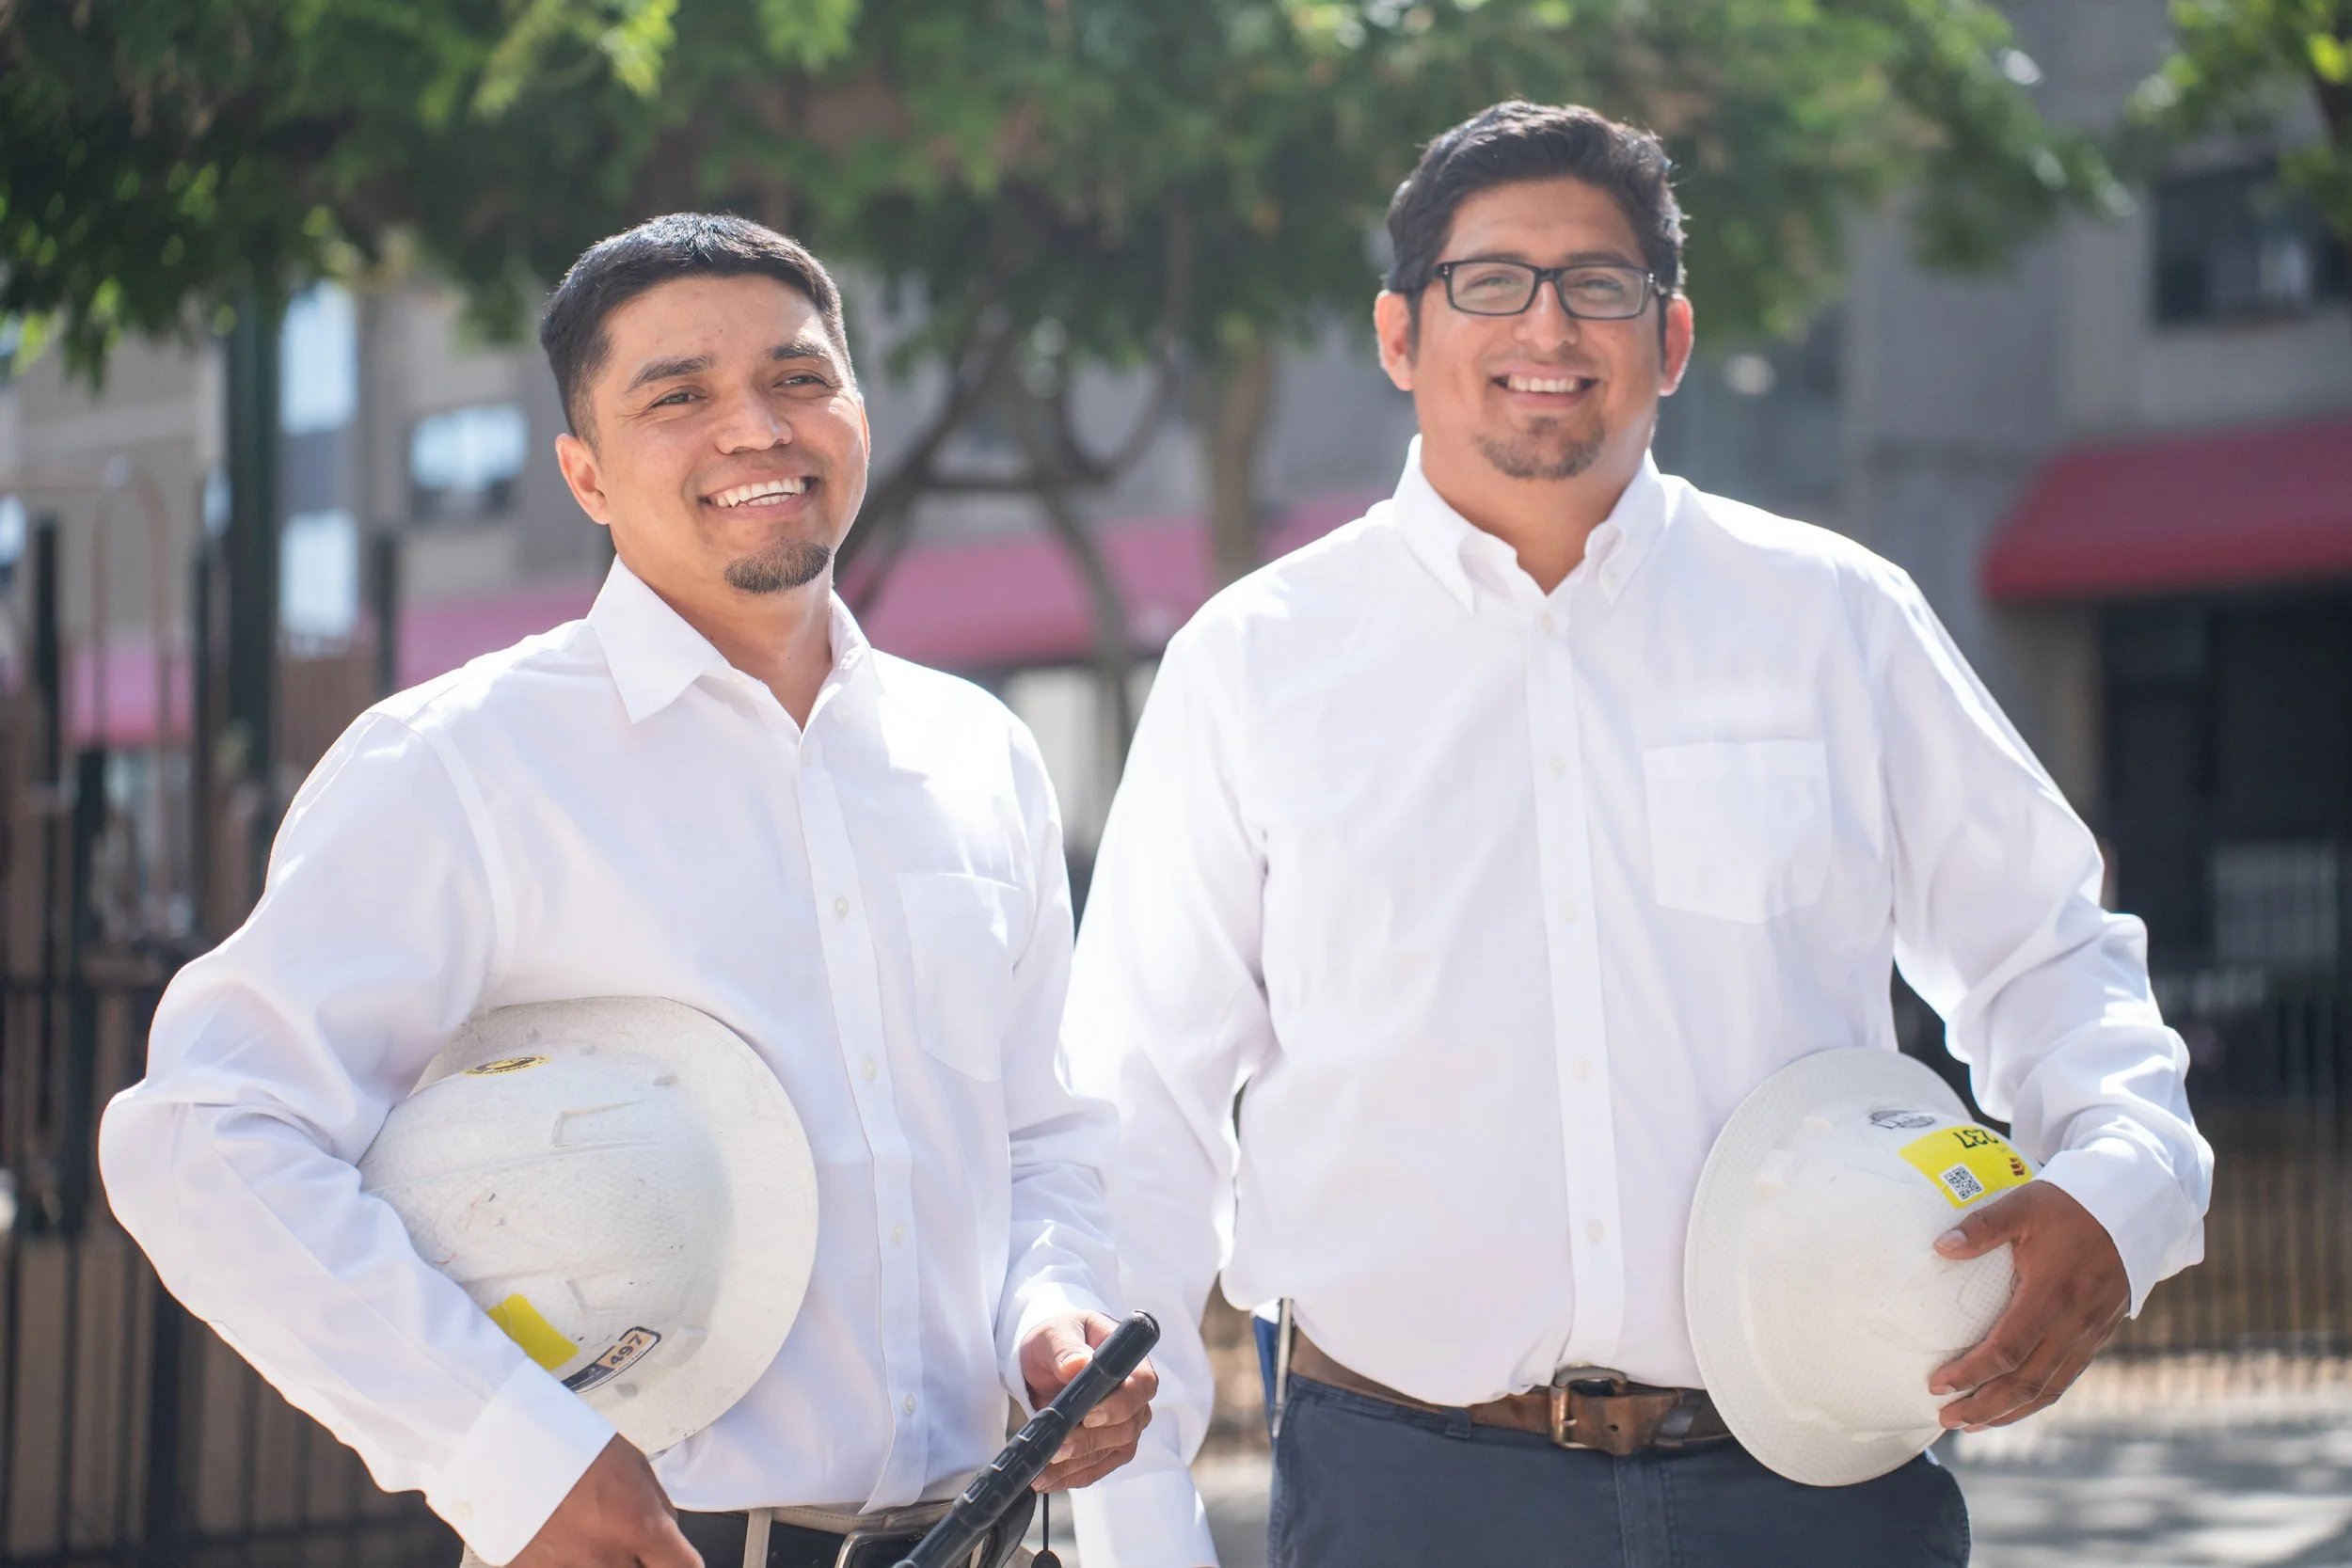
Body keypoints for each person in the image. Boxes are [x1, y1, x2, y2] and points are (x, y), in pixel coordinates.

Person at [1063, 103, 2211, 1568]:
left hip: (1816, 1478)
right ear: (1399, 336)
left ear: (1668, 340)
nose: (1547, 320)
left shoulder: (1832, 621)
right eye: (1491, 280)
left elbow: (2044, 944)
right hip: (1406, 1491)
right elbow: (1142, 1108)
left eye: (1599, 282)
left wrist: (2123, 1178)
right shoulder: (1256, 661)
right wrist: (1139, 1529)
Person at [100, 214, 1154, 1568]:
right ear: (584, 473)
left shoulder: (976, 752)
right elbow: (203, 1132)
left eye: (798, 378)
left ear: (859, 412)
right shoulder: (465, 762)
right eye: (680, 395)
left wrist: (1053, 1310)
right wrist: (505, 1455)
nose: (756, 428)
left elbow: (1041, 1135)